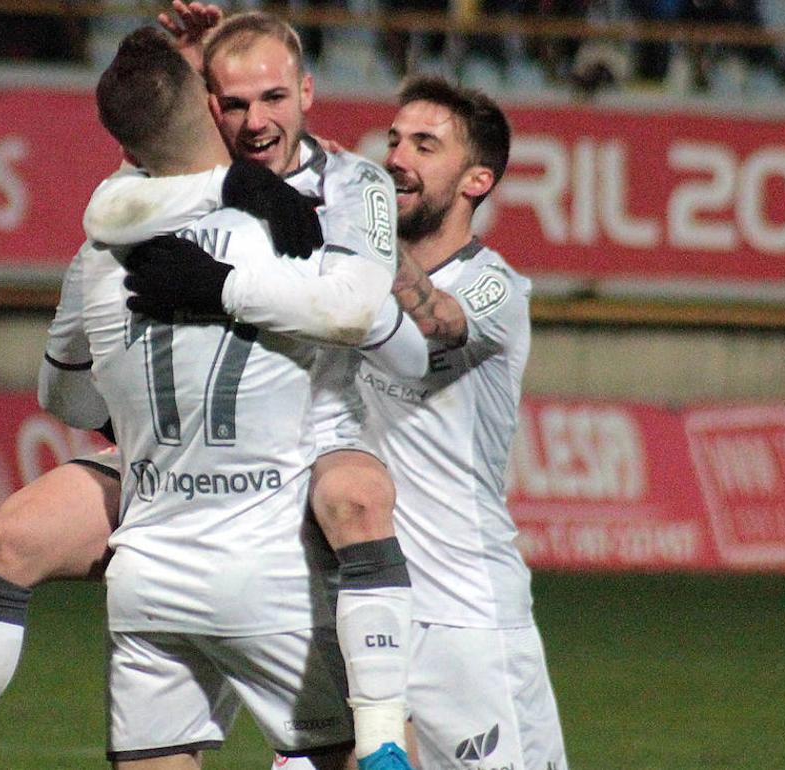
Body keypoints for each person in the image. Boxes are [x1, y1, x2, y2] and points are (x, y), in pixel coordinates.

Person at [0, 8, 414, 770]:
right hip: (175, 460)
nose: (255, 119)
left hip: (315, 432)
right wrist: (226, 175)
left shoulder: (352, 179)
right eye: (233, 103)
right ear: (206, 103)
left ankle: (384, 742)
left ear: (307, 91)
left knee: (355, 499)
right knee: (8, 538)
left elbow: (359, 311)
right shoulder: (136, 201)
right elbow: (109, 205)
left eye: (273, 98)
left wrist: (221, 287)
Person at [120, 74, 571, 770]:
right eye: (393, 141)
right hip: (352, 608)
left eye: (427, 145)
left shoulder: (493, 286)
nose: (398, 158)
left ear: (478, 180)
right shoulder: (335, 281)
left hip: (462, 619)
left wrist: (360, 220)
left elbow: (437, 323)